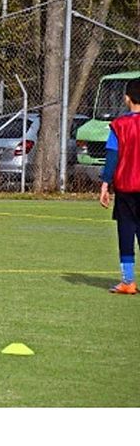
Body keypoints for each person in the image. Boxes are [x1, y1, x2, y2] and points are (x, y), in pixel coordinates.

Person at [98, 77, 140, 295]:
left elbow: (112, 156)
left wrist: (105, 183)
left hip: (126, 187)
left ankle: (128, 281)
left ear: (126, 98)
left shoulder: (120, 125)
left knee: (126, 231)